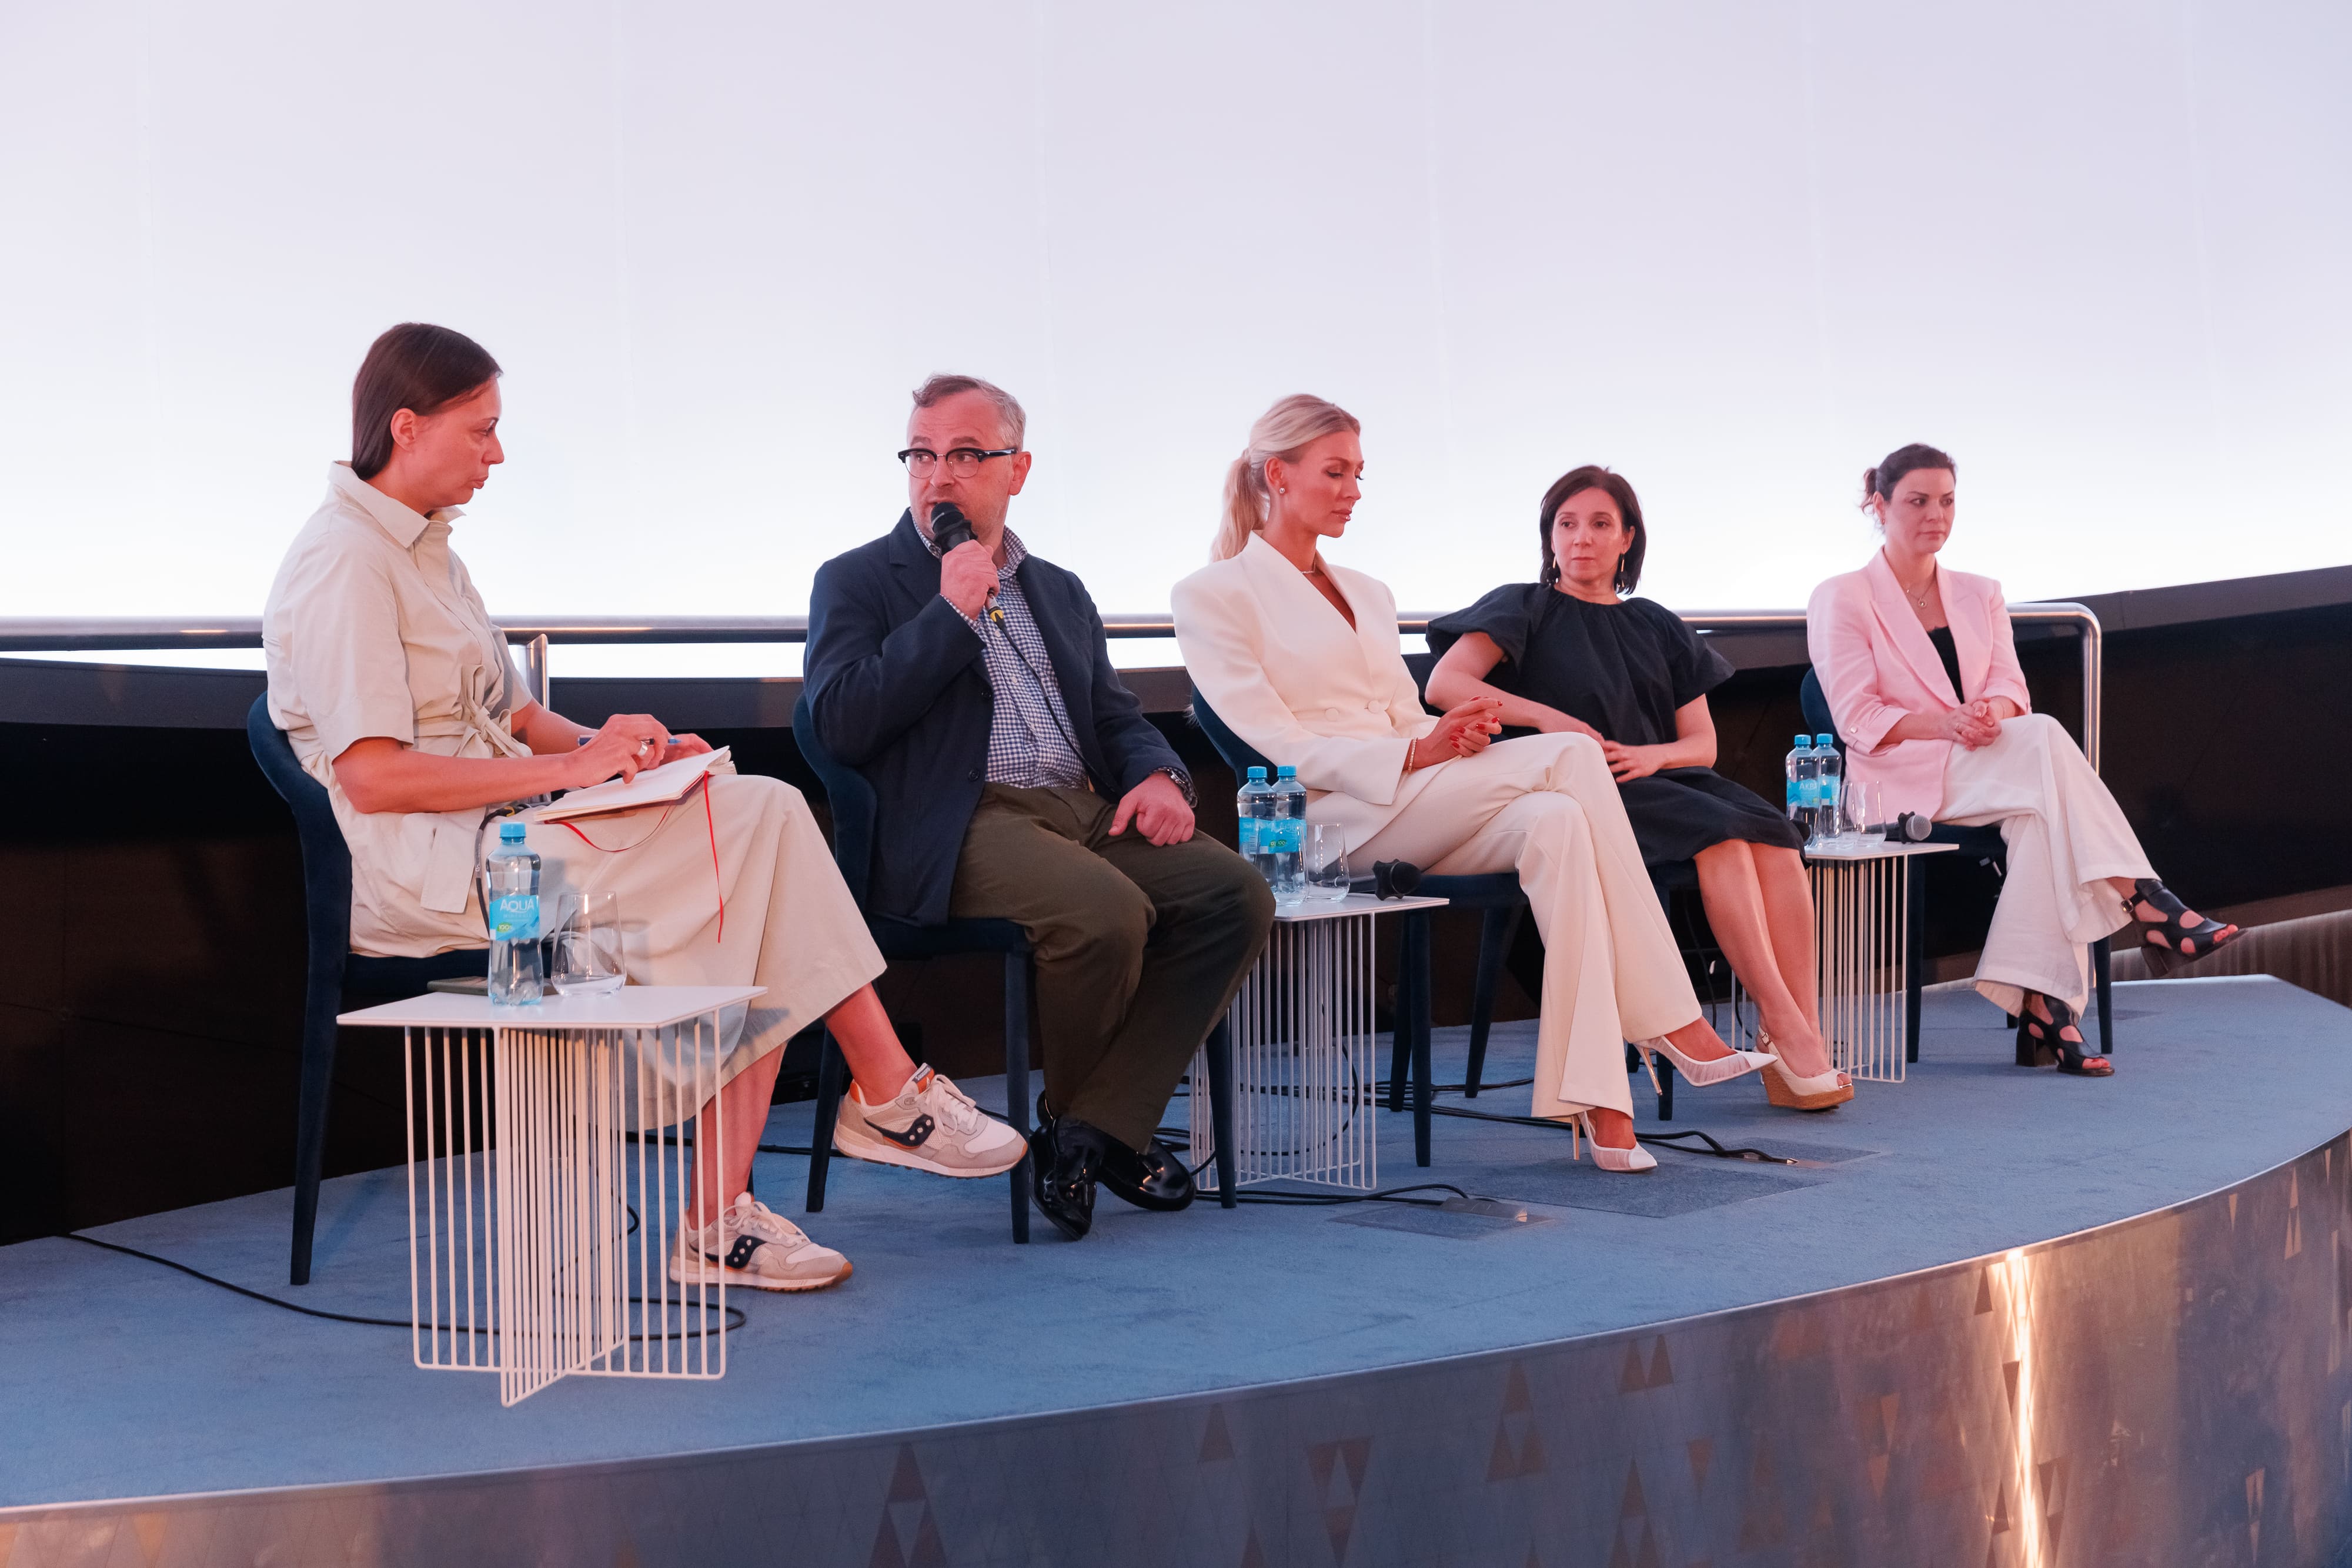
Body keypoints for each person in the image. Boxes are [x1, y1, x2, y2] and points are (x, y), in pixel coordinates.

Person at [263, 324, 1023, 1295]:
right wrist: (578, 770)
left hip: (510, 838)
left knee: (754, 822)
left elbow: (516, 715)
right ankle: (840, 1123)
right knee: (761, 828)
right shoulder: (344, 560)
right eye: (481, 430)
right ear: (407, 427)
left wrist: (621, 749)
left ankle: (797, 1160)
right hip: (436, 872)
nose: (498, 453)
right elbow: (373, 777)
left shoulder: (432, 552)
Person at [1170, 396, 1776, 1172]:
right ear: (1277, 476)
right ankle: (1669, 1016)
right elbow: (1273, 741)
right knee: (1569, 753)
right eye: (1336, 472)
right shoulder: (1211, 593)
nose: (1353, 491)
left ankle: (1599, 1099)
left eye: (1358, 474)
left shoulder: (1367, 590)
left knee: (1558, 821)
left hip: (1413, 797)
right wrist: (1417, 754)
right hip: (1326, 822)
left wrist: (1448, 738)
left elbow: (1400, 713)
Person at [803, 374, 1274, 1239]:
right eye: (921, 456)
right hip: (960, 822)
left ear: (1016, 469)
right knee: (1104, 912)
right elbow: (839, 721)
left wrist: (1158, 776)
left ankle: (1088, 1127)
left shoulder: (1057, 588)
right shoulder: (860, 579)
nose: (938, 477)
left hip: (1081, 806)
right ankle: (1102, 1131)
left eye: (964, 455)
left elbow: (1112, 716)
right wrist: (949, 613)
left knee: (1235, 894)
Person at [1425, 466, 1851, 1111]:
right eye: (1567, 524)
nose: (1581, 538)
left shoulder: (1657, 622)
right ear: (1549, 537)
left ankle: (1800, 1027)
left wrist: (1653, 756)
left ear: (1627, 538)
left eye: (1600, 524)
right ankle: (1786, 1027)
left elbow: (1702, 745)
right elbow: (1444, 685)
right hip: (1578, 787)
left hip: (1660, 778)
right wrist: (1546, 718)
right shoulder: (1521, 606)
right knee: (1723, 838)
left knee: (1775, 836)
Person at [1806, 443, 2240, 1075]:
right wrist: (1946, 723)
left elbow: (2011, 687)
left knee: (2040, 808)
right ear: (1880, 505)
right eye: (1918, 501)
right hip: (1900, 781)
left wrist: (1990, 712)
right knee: (2045, 743)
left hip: (1991, 764)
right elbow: (1856, 717)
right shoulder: (1842, 596)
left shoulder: (1980, 592)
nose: (1936, 515)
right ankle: (2143, 903)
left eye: (1947, 500)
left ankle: (2047, 1007)